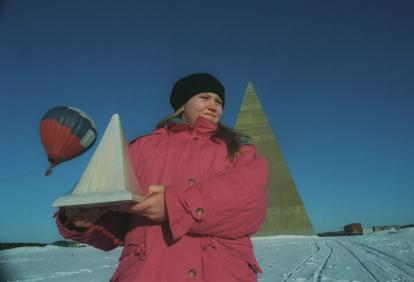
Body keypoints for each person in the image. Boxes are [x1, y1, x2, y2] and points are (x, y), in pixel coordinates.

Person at [55, 72, 269, 282]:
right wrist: (83, 219)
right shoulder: (139, 149)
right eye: (204, 97)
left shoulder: (239, 149)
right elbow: (117, 225)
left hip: (223, 272)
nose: (214, 106)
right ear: (182, 104)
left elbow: (249, 203)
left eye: (219, 101)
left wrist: (174, 205)